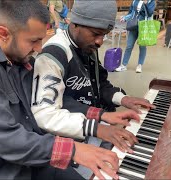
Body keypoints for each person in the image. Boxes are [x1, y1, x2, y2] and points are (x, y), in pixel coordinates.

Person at [0, 0, 120, 179]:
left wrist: (99, 117)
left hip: (30, 163)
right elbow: (7, 140)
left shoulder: (22, 59)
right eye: (34, 41)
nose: (39, 48)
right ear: (3, 33)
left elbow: (52, 99)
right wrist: (74, 150)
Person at [31, 0, 155, 156]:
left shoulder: (87, 45)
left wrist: (122, 99)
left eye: (104, 35)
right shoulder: (53, 55)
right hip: (69, 146)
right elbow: (44, 115)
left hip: (93, 129)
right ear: (75, 24)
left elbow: (99, 84)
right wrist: (97, 127)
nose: (100, 42)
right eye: (96, 34)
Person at [115, 0, 156, 73]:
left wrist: (146, 4)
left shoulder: (151, 1)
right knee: (129, 46)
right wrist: (125, 18)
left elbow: (149, 13)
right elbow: (132, 13)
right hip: (134, 26)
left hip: (144, 27)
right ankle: (123, 65)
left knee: (142, 46)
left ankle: (140, 65)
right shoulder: (135, 1)